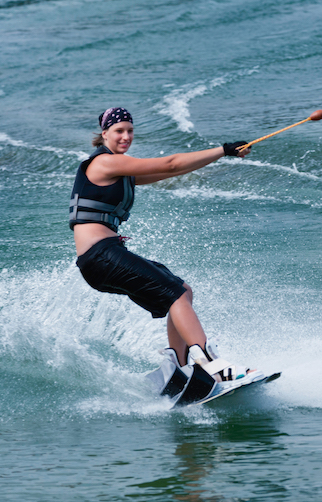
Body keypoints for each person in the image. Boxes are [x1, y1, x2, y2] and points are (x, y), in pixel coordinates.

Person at [69, 107, 262, 392]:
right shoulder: (104, 164)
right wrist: (223, 149)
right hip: (101, 256)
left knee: (182, 291)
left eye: (130, 131)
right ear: (104, 134)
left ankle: (178, 369)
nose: (126, 136)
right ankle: (213, 366)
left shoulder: (121, 171)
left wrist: (223, 155)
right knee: (174, 294)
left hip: (101, 257)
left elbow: (177, 169)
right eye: (119, 131)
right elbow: (171, 163)